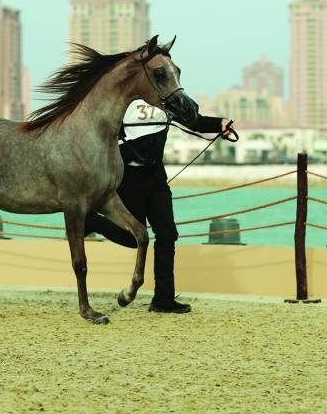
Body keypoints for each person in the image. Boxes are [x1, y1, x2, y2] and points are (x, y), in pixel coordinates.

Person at [85, 97, 234, 313]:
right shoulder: (121, 100)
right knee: (132, 238)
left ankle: (163, 299)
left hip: (155, 178)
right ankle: (92, 222)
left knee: (167, 234)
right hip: (128, 178)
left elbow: (194, 121)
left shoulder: (167, 101)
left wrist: (220, 124)